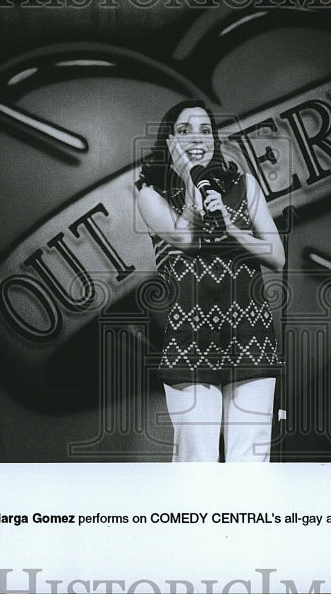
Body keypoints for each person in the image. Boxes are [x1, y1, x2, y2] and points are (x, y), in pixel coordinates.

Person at [135, 99, 285, 462]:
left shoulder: (242, 185)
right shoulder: (150, 192)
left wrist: (232, 227)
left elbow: (277, 257)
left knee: (250, 462)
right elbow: (185, 239)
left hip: (250, 334)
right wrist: (191, 181)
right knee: (196, 462)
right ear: (169, 141)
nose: (197, 137)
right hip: (191, 337)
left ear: (215, 139)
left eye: (205, 130)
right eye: (184, 131)